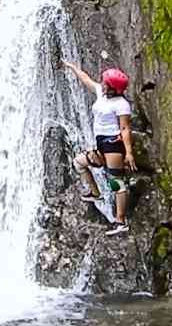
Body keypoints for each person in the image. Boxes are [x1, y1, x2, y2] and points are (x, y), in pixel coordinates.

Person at [63, 61, 137, 236]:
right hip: (101, 144)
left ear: (112, 88)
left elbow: (125, 128)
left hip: (113, 144)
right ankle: (96, 193)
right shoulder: (101, 94)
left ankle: (120, 221)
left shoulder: (121, 104)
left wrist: (129, 153)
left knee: (116, 182)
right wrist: (71, 67)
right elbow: (86, 79)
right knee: (79, 163)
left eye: (106, 83)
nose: (102, 84)